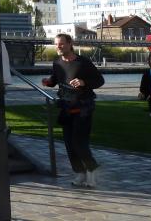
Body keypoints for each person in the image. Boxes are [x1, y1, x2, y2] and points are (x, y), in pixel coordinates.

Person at [42, 33, 105, 188]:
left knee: (79, 143)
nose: (58, 47)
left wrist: (83, 82)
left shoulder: (83, 62)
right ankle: (80, 173)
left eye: (61, 44)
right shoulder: (57, 63)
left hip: (83, 108)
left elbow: (99, 80)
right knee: (69, 144)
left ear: (70, 44)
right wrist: (49, 82)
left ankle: (92, 170)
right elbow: (56, 79)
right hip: (65, 108)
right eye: (56, 44)